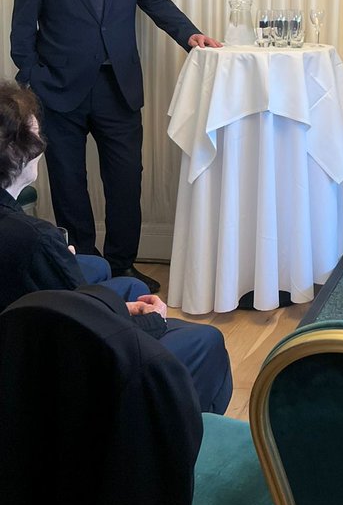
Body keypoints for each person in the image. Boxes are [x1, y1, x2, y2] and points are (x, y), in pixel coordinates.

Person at [9, 0, 222, 292]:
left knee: (125, 181)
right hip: (59, 92)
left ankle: (122, 266)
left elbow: (155, 1)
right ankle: (85, 270)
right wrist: (32, 80)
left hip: (118, 89)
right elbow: (21, 30)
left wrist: (190, 35)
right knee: (70, 185)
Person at [0, 81, 232, 414]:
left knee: (131, 286)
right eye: (38, 140)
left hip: (25, 347)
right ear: (18, 154)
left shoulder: (32, 236)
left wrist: (120, 304)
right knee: (205, 340)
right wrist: (152, 321)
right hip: (56, 379)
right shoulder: (35, 239)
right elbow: (82, 332)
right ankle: (172, 449)